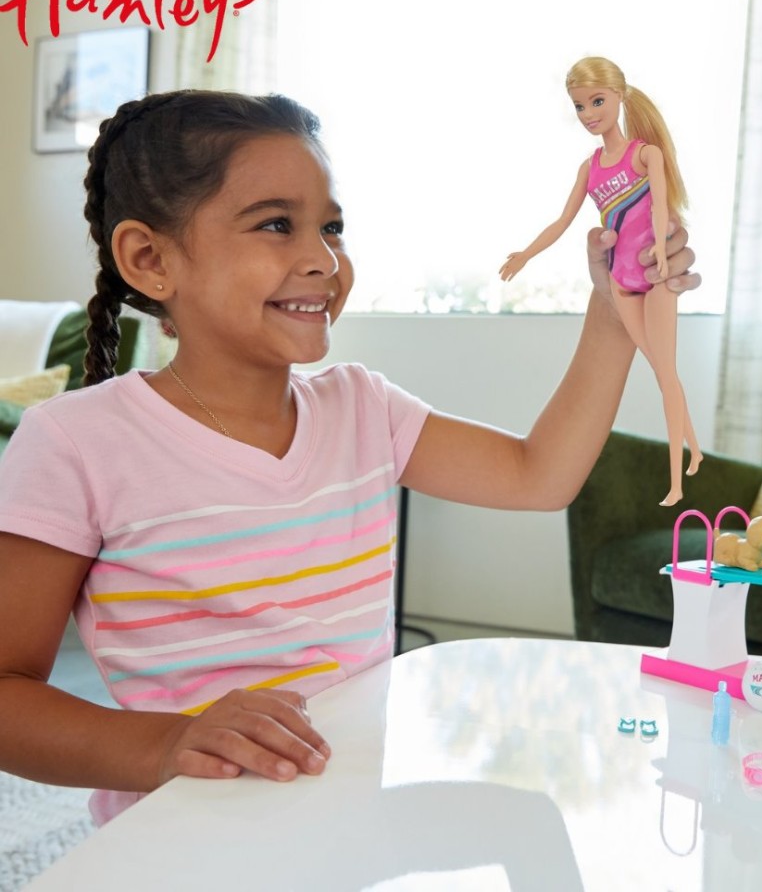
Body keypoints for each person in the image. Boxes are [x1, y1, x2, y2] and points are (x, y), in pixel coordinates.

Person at [0, 89, 699, 824]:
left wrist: (614, 307)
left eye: (331, 228)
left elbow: (539, 476)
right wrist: (169, 743)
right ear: (149, 260)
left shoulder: (363, 408)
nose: (322, 259)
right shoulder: (76, 442)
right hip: (183, 839)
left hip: (349, 820)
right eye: (276, 224)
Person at [500, 57, 702, 506]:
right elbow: (562, 221)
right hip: (618, 284)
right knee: (660, 370)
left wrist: (663, 255)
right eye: (579, 106)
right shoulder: (589, 169)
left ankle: (678, 478)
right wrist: (527, 254)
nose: (588, 114)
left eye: (596, 102)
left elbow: (661, 209)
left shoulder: (645, 155)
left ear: (619, 97)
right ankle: (693, 451)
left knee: (666, 371)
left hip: (655, 277)